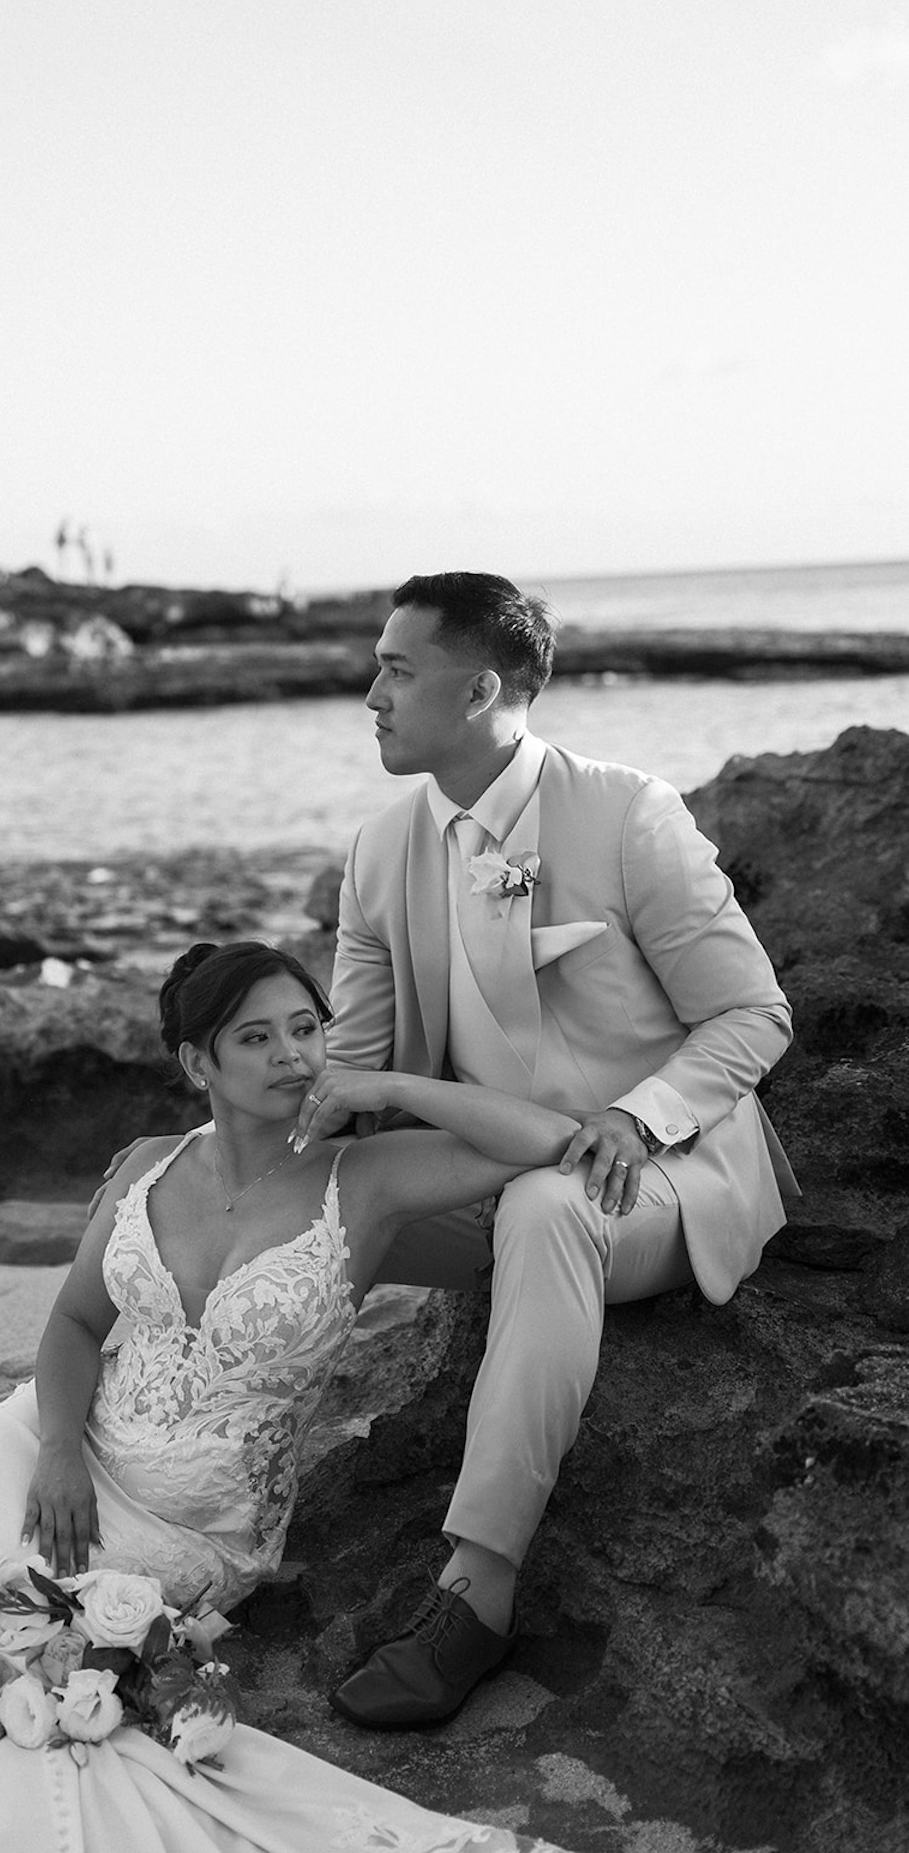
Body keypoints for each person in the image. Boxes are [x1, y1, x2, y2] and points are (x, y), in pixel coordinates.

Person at [0, 940, 585, 1853]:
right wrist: (54, 1451)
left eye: (306, 1028)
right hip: (53, 1445)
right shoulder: (147, 1167)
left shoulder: (364, 1178)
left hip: (191, 1518)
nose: (291, 1056)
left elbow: (550, 1139)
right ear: (195, 1062)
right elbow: (76, 1326)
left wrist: (385, 1088)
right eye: (255, 1038)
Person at [294, 571, 797, 1731]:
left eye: (394, 669)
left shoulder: (626, 813)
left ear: (480, 690)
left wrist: (639, 1116)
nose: (368, 693)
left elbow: (751, 1014)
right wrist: (229, 1155)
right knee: (236, 1195)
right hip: (485, 1167)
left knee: (549, 1211)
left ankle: (475, 1594)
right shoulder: (377, 853)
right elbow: (351, 1079)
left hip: (663, 1178)